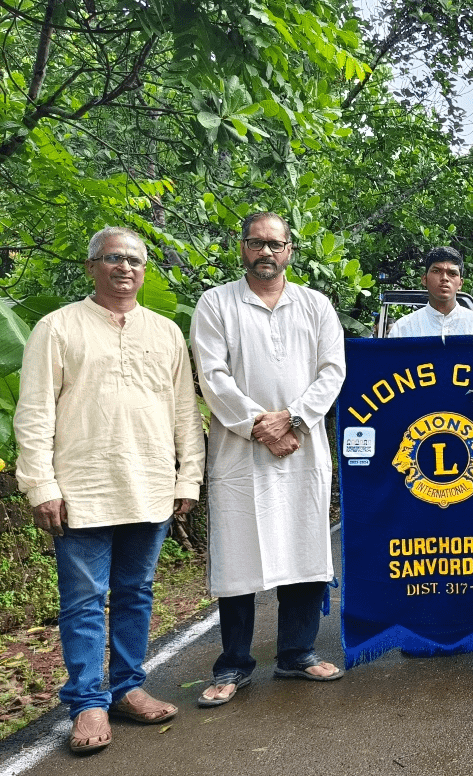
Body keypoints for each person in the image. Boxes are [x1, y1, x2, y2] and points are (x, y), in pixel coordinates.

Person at [14, 226, 203, 753]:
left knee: (136, 595)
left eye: (135, 260)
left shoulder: (165, 332)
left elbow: (185, 413)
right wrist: (41, 485)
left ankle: (127, 687)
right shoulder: (57, 328)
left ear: (145, 270)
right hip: (82, 489)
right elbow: (33, 414)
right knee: (83, 601)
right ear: (92, 265)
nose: (125, 268)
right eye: (114, 258)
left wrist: (187, 475)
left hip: (149, 485)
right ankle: (87, 702)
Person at [190, 212, 348, 707]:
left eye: (274, 244)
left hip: (302, 449)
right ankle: (234, 663)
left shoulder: (315, 305)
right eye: (256, 243)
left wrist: (294, 419)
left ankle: (296, 652)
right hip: (242, 452)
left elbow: (333, 371)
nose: (265, 252)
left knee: (303, 547)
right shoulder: (216, 304)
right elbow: (212, 376)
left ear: (290, 250)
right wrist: (261, 425)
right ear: (242, 248)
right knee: (239, 557)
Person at [389, 247, 473, 337]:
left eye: (452, 273)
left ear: (460, 284)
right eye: (436, 271)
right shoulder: (402, 329)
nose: (444, 278)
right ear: (424, 279)